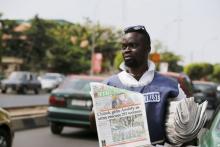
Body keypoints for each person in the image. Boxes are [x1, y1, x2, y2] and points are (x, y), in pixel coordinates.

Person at [89, 25, 187, 146]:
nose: (127, 50)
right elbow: (95, 127)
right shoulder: (108, 85)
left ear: (148, 48)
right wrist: (98, 112)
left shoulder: (170, 86)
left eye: (133, 45)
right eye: (124, 47)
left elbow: (186, 125)